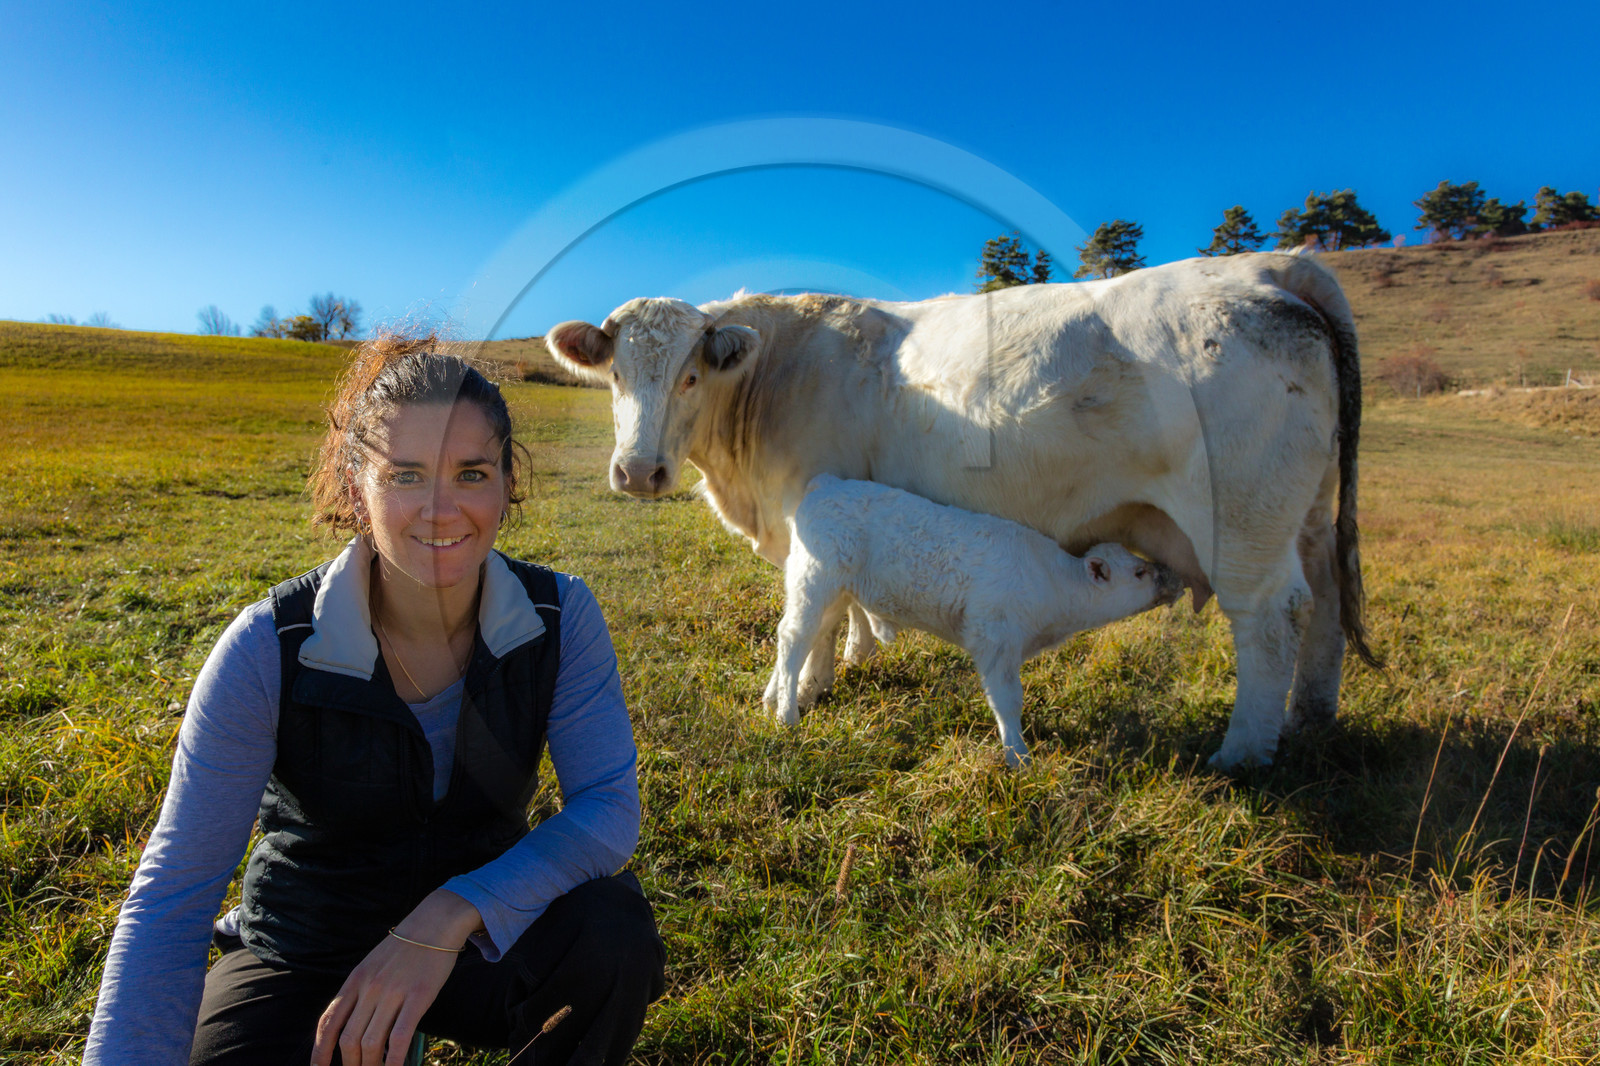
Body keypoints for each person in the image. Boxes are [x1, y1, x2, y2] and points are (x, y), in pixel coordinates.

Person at [84, 331, 665, 1066]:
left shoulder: (560, 617)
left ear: (508, 484)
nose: (442, 510)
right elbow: (172, 894)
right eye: (406, 475)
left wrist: (451, 915)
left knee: (612, 933)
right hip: (306, 951)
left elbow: (607, 809)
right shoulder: (269, 644)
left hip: (477, 939)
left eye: (472, 472)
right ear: (356, 484)